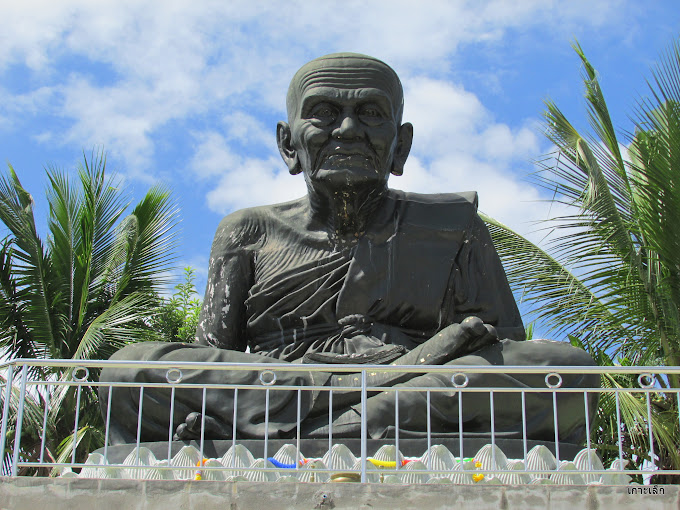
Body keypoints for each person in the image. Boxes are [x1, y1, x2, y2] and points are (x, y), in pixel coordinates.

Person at [99, 53, 598, 445]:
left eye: (370, 114)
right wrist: (415, 364)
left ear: (400, 145)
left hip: (407, 387)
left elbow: (498, 346)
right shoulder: (247, 231)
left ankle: (326, 424)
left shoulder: (453, 225)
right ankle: (363, 411)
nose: (348, 129)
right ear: (288, 143)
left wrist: (419, 364)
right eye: (324, 113)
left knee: (566, 371)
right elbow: (212, 359)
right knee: (127, 369)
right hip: (292, 384)